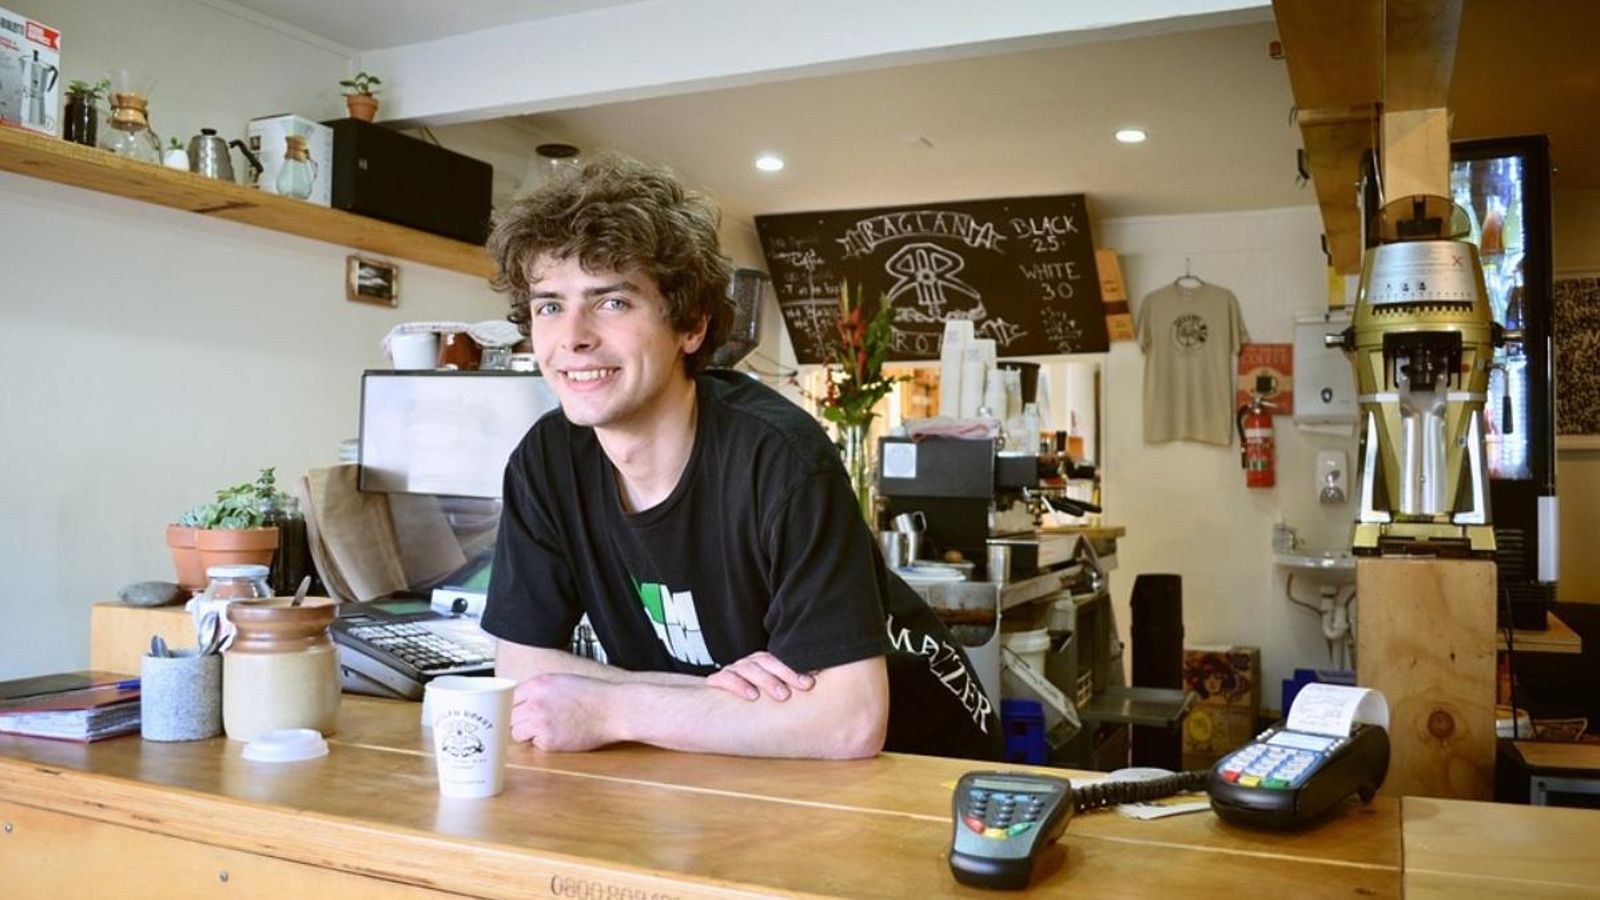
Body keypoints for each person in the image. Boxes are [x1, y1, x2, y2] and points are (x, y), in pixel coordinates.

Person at [482, 154, 1002, 761]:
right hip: (746, 764)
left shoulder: (780, 459)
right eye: (549, 305)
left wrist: (611, 707)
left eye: (612, 302)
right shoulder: (547, 460)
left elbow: (849, 722)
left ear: (692, 326)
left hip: (921, 769)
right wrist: (707, 700)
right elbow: (519, 668)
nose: (572, 336)